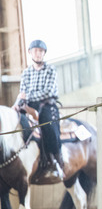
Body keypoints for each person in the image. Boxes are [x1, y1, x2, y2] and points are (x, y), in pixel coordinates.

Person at [12, 39, 65, 182]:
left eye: (41, 51)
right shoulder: (26, 72)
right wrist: (16, 105)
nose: (38, 53)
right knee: (14, 121)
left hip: (46, 104)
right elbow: (22, 93)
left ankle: (55, 160)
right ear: (30, 53)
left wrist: (27, 96)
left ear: (44, 53)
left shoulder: (50, 70)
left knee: (48, 125)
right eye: (35, 50)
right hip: (29, 105)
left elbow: (48, 92)